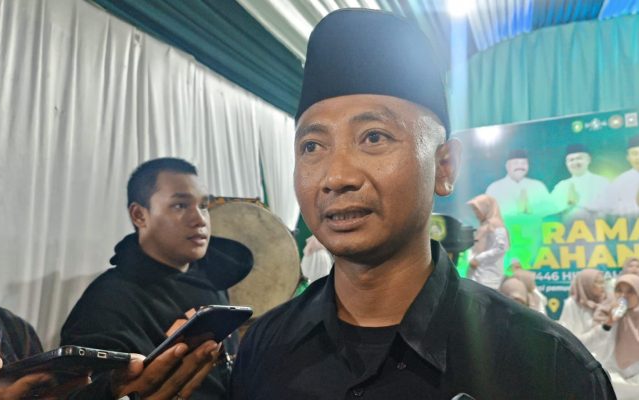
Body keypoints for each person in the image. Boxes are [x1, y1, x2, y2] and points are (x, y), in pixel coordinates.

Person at [230, 9, 615, 400]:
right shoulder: (265, 346)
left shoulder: (550, 368)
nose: (336, 176)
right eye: (312, 146)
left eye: (374, 137)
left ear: (444, 166)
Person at [61, 157, 252, 400]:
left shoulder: (214, 280)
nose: (200, 219)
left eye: (204, 205)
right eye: (180, 205)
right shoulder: (107, 301)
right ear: (139, 215)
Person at [596, 274, 639, 400]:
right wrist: (610, 322)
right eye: (619, 290)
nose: (623, 295)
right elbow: (599, 347)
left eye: (630, 291)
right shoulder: (609, 313)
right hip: (615, 378)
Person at [558, 269, 610, 357]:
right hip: (584, 357)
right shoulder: (573, 304)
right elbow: (573, 340)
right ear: (586, 285)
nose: (602, 286)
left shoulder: (606, 301)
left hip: (606, 356)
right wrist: (600, 329)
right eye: (598, 283)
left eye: (603, 282)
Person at [485, 149, 551, 216]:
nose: (520, 166)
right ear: (507, 166)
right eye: (515, 163)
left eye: (524, 163)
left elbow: (548, 211)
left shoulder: (538, 186)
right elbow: (488, 216)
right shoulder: (494, 188)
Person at [550, 144, 609, 218]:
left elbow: (610, 207)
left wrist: (579, 203)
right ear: (566, 163)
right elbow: (550, 209)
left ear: (588, 160)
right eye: (571, 160)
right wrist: (566, 204)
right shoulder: (561, 186)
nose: (575, 163)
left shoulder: (602, 182)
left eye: (579, 158)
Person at [466, 194, 509, 289]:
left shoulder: (496, 225)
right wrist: (472, 259)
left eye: (477, 209)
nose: (475, 213)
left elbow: (501, 248)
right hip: (477, 274)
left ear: (486, 208)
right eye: (474, 210)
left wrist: (478, 259)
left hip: (489, 277)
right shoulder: (484, 225)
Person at [606, 134, 639, 216]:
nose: (638, 157)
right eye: (634, 153)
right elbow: (610, 210)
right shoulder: (620, 182)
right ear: (628, 157)